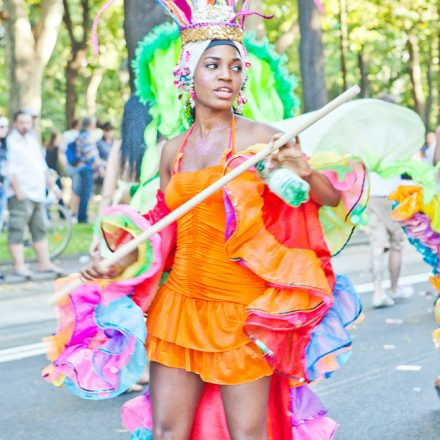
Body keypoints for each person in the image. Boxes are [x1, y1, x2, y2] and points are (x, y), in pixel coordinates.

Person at [75, 3, 366, 438]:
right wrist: (120, 261)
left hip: (241, 311)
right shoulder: (173, 149)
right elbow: (163, 223)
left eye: (235, 67)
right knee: (167, 433)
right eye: (213, 66)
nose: (226, 76)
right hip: (178, 305)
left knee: (247, 435)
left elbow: (323, 199)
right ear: (188, 75)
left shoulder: (264, 140)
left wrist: (301, 171)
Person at [6, 110, 63, 278]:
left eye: (27, 122)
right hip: (20, 193)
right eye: (21, 122)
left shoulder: (32, 140)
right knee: (18, 228)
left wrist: (52, 186)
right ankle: (19, 265)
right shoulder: (10, 142)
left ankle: (45, 263)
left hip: (38, 193)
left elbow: (42, 165)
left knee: (40, 228)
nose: (25, 125)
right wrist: (18, 191)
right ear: (15, 123)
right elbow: (10, 169)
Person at [72, 117, 103, 223]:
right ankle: (83, 218)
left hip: (82, 168)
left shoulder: (81, 135)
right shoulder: (87, 136)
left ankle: (81, 217)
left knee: (83, 193)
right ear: (90, 124)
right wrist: (100, 167)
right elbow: (92, 154)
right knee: (86, 194)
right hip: (87, 169)